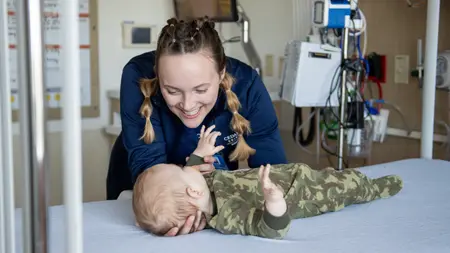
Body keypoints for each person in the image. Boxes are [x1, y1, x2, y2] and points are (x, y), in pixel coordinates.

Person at [106, 16, 288, 236]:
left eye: (201, 90)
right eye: (172, 91)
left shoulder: (247, 86)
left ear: (221, 74)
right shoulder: (138, 75)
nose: (188, 105)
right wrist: (175, 211)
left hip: (207, 198)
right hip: (153, 198)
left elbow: (273, 171)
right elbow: (149, 169)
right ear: (157, 76)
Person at [132, 126, 404, 239]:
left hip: (294, 175)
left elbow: (194, 172)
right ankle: (377, 188)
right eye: (180, 168)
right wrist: (274, 202)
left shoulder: (205, 187)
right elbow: (270, 230)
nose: (187, 165)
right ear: (192, 190)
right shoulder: (227, 215)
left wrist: (199, 153)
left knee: (327, 174)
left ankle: (329, 175)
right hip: (304, 193)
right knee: (349, 183)